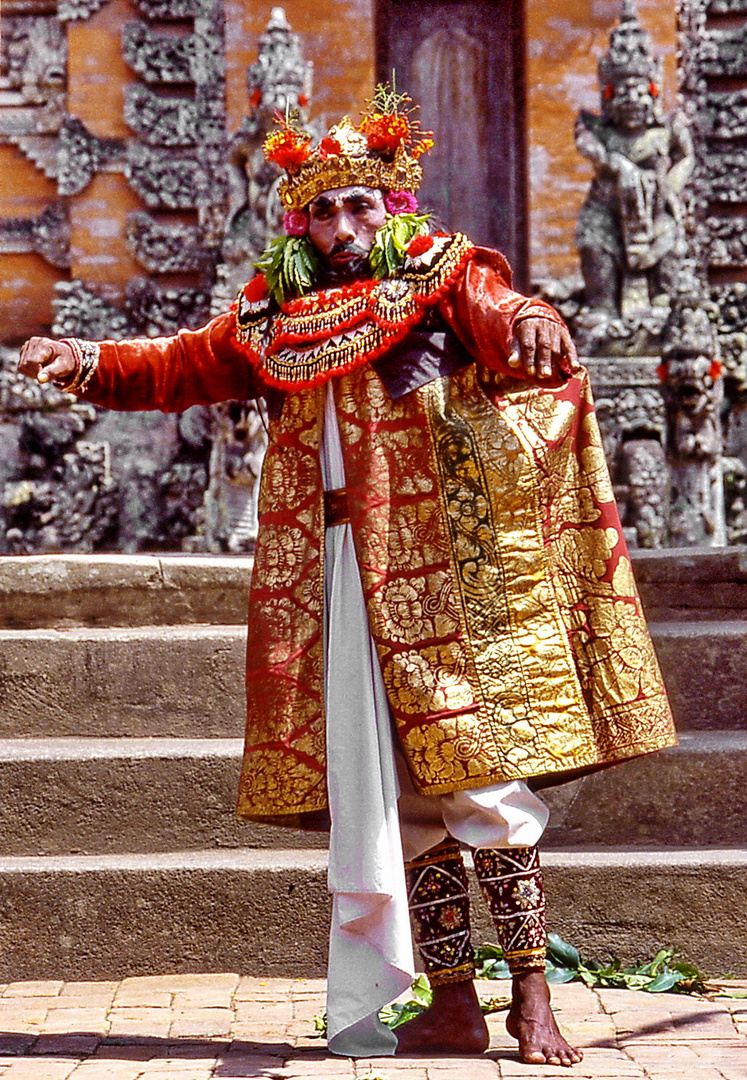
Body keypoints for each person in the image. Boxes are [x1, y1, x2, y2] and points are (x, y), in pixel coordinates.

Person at [19, 86, 676, 1067]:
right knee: (397, 795)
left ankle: (533, 995)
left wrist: (537, 321)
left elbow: (504, 312)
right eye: (322, 209)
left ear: (393, 208)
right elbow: (179, 367)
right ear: (301, 220)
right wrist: (81, 358)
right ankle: (452, 1000)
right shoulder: (278, 316)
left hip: (438, 571)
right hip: (331, 569)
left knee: (484, 781)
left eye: (359, 206)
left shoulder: (444, 274)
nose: (339, 226)